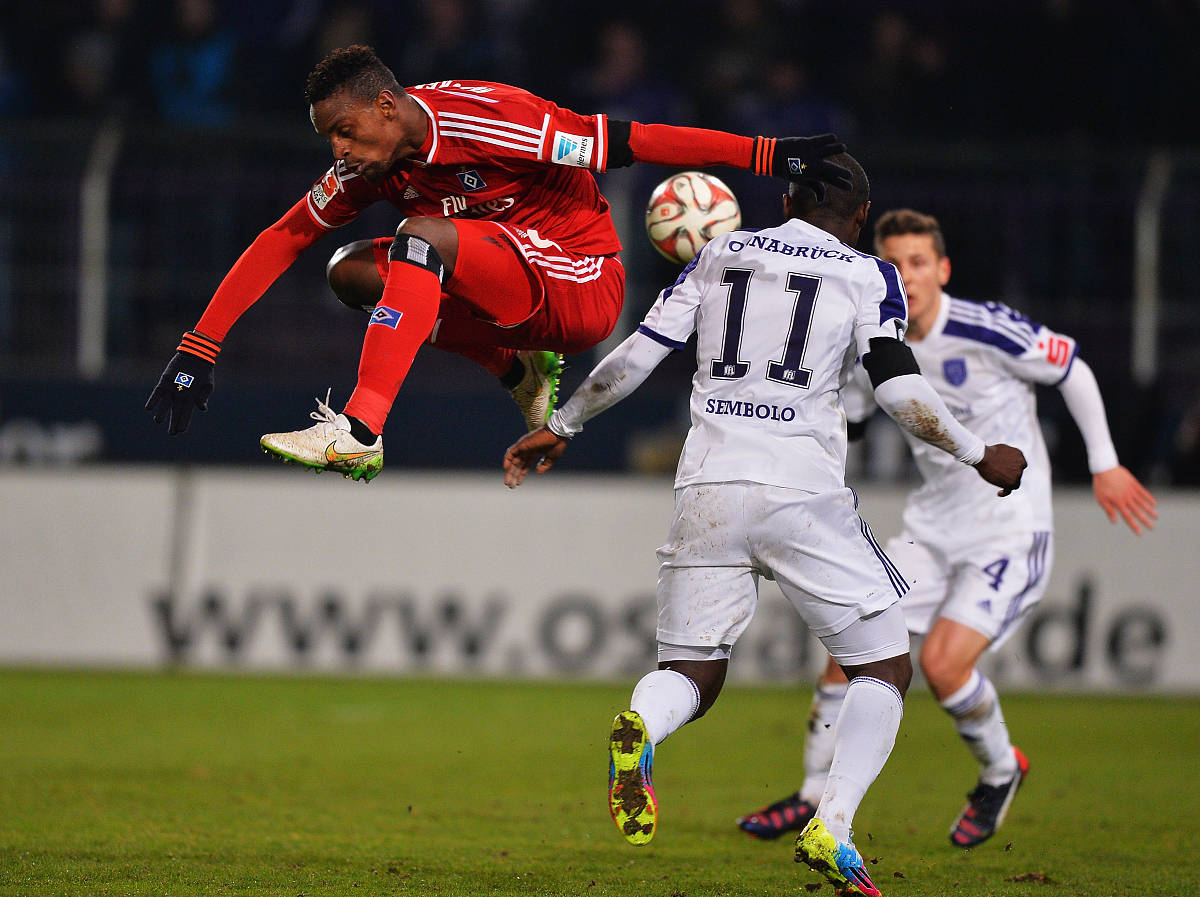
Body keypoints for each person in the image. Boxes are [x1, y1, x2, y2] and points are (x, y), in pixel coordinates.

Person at [504, 161, 1027, 896]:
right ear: (861, 213)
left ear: (784, 202)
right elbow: (899, 385)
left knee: (692, 672)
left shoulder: (721, 252)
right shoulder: (868, 274)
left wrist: (562, 423)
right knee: (883, 663)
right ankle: (833, 824)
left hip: (706, 487)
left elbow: (636, 356)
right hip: (801, 493)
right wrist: (979, 452)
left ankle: (642, 728)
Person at [144, 43, 853, 482]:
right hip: (508, 281)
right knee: (348, 270)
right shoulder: (371, 161)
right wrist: (198, 346)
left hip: (580, 281)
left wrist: (764, 154)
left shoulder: (492, 120)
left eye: (345, 131)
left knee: (419, 238)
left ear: (387, 108)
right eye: (330, 137)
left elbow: (631, 140)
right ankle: (516, 367)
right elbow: (285, 234)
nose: (339, 150)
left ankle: (358, 432)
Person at [736, 208, 1158, 849]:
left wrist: (1105, 464)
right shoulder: (871, 341)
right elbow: (841, 418)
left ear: (942, 269)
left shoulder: (981, 327)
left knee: (941, 667)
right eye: (895, 264)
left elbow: (1071, 366)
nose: (907, 276)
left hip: (1009, 532)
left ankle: (999, 771)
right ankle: (813, 794)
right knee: (847, 652)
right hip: (931, 528)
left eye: (919, 263)